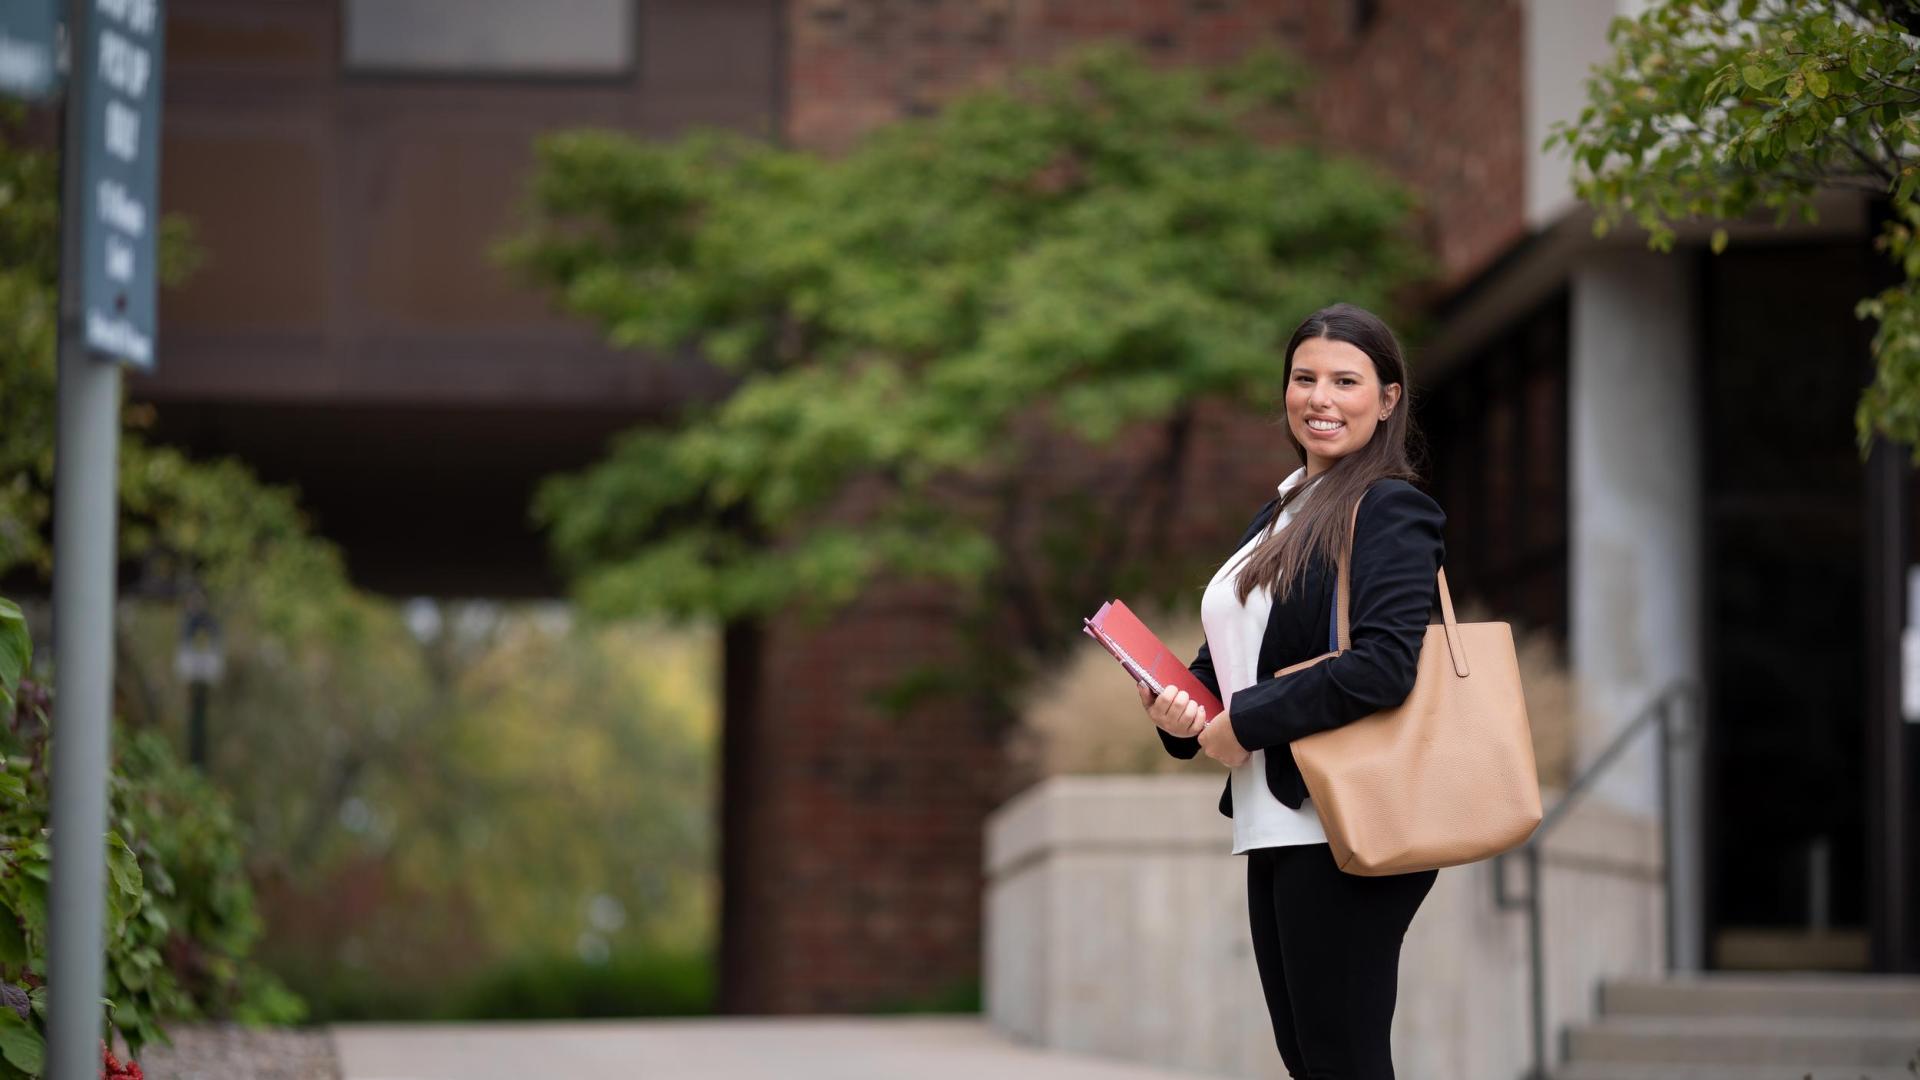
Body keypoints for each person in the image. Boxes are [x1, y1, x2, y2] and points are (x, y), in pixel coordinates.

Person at [1138, 302, 1444, 1079]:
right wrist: (1184, 706)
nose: (1321, 398)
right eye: (1304, 378)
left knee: (1342, 1059)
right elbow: (1231, 659)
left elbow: (1384, 665)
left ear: (1388, 398)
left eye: (1346, 380)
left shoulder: (1388, 507)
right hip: (1276, 821)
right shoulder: (1278, 514)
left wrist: (1246, 719)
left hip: (1345, 823)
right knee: (1312, 1061)